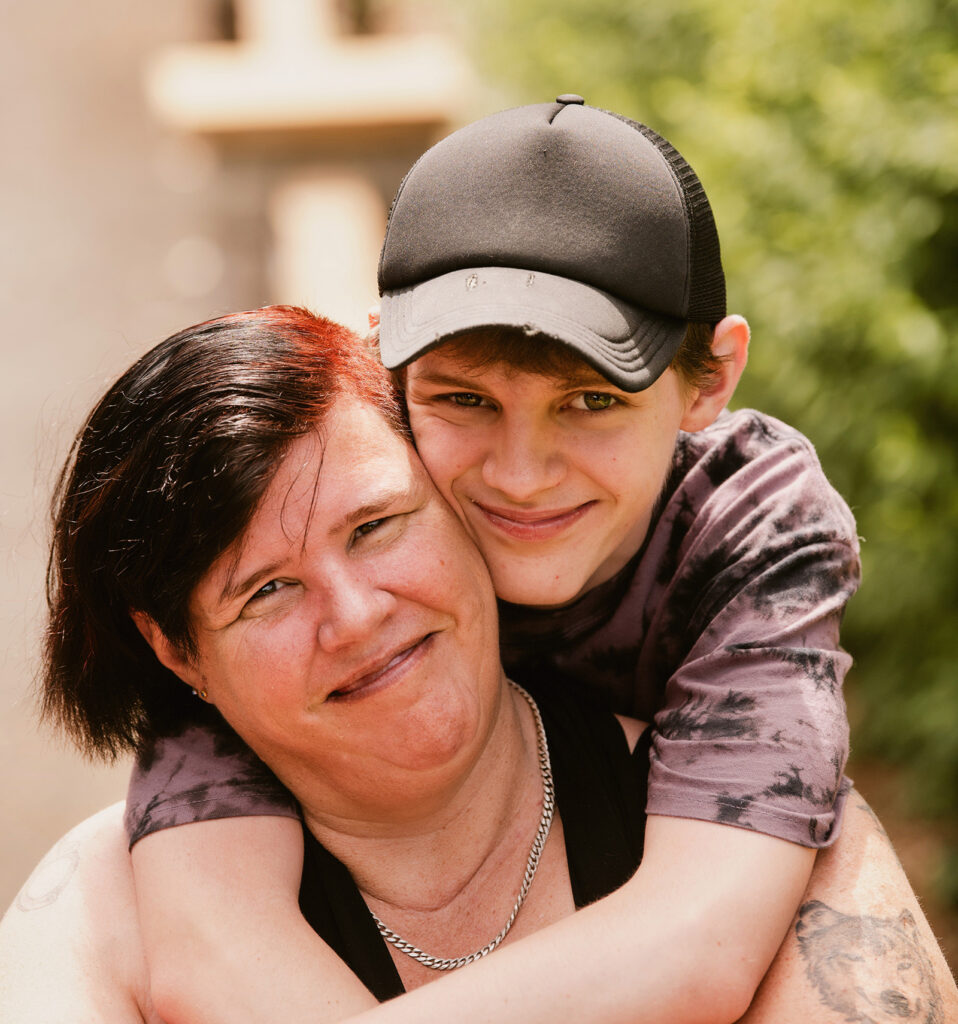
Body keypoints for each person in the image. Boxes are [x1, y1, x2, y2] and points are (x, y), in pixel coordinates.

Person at [123, 98, 863, 1023]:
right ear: (383, 363)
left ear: (710, 377)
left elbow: (697, 942)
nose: (519, 478)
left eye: (591, 402)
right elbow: (212, 943)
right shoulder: (340, 524)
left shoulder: (749, 525)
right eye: (466, 399)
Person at [1, 307, 954, 1024]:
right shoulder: (102, 910)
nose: (357, 615)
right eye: (267, 592)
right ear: (176, 651)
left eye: (375, 527)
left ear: (464, 501)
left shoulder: (752, 835)